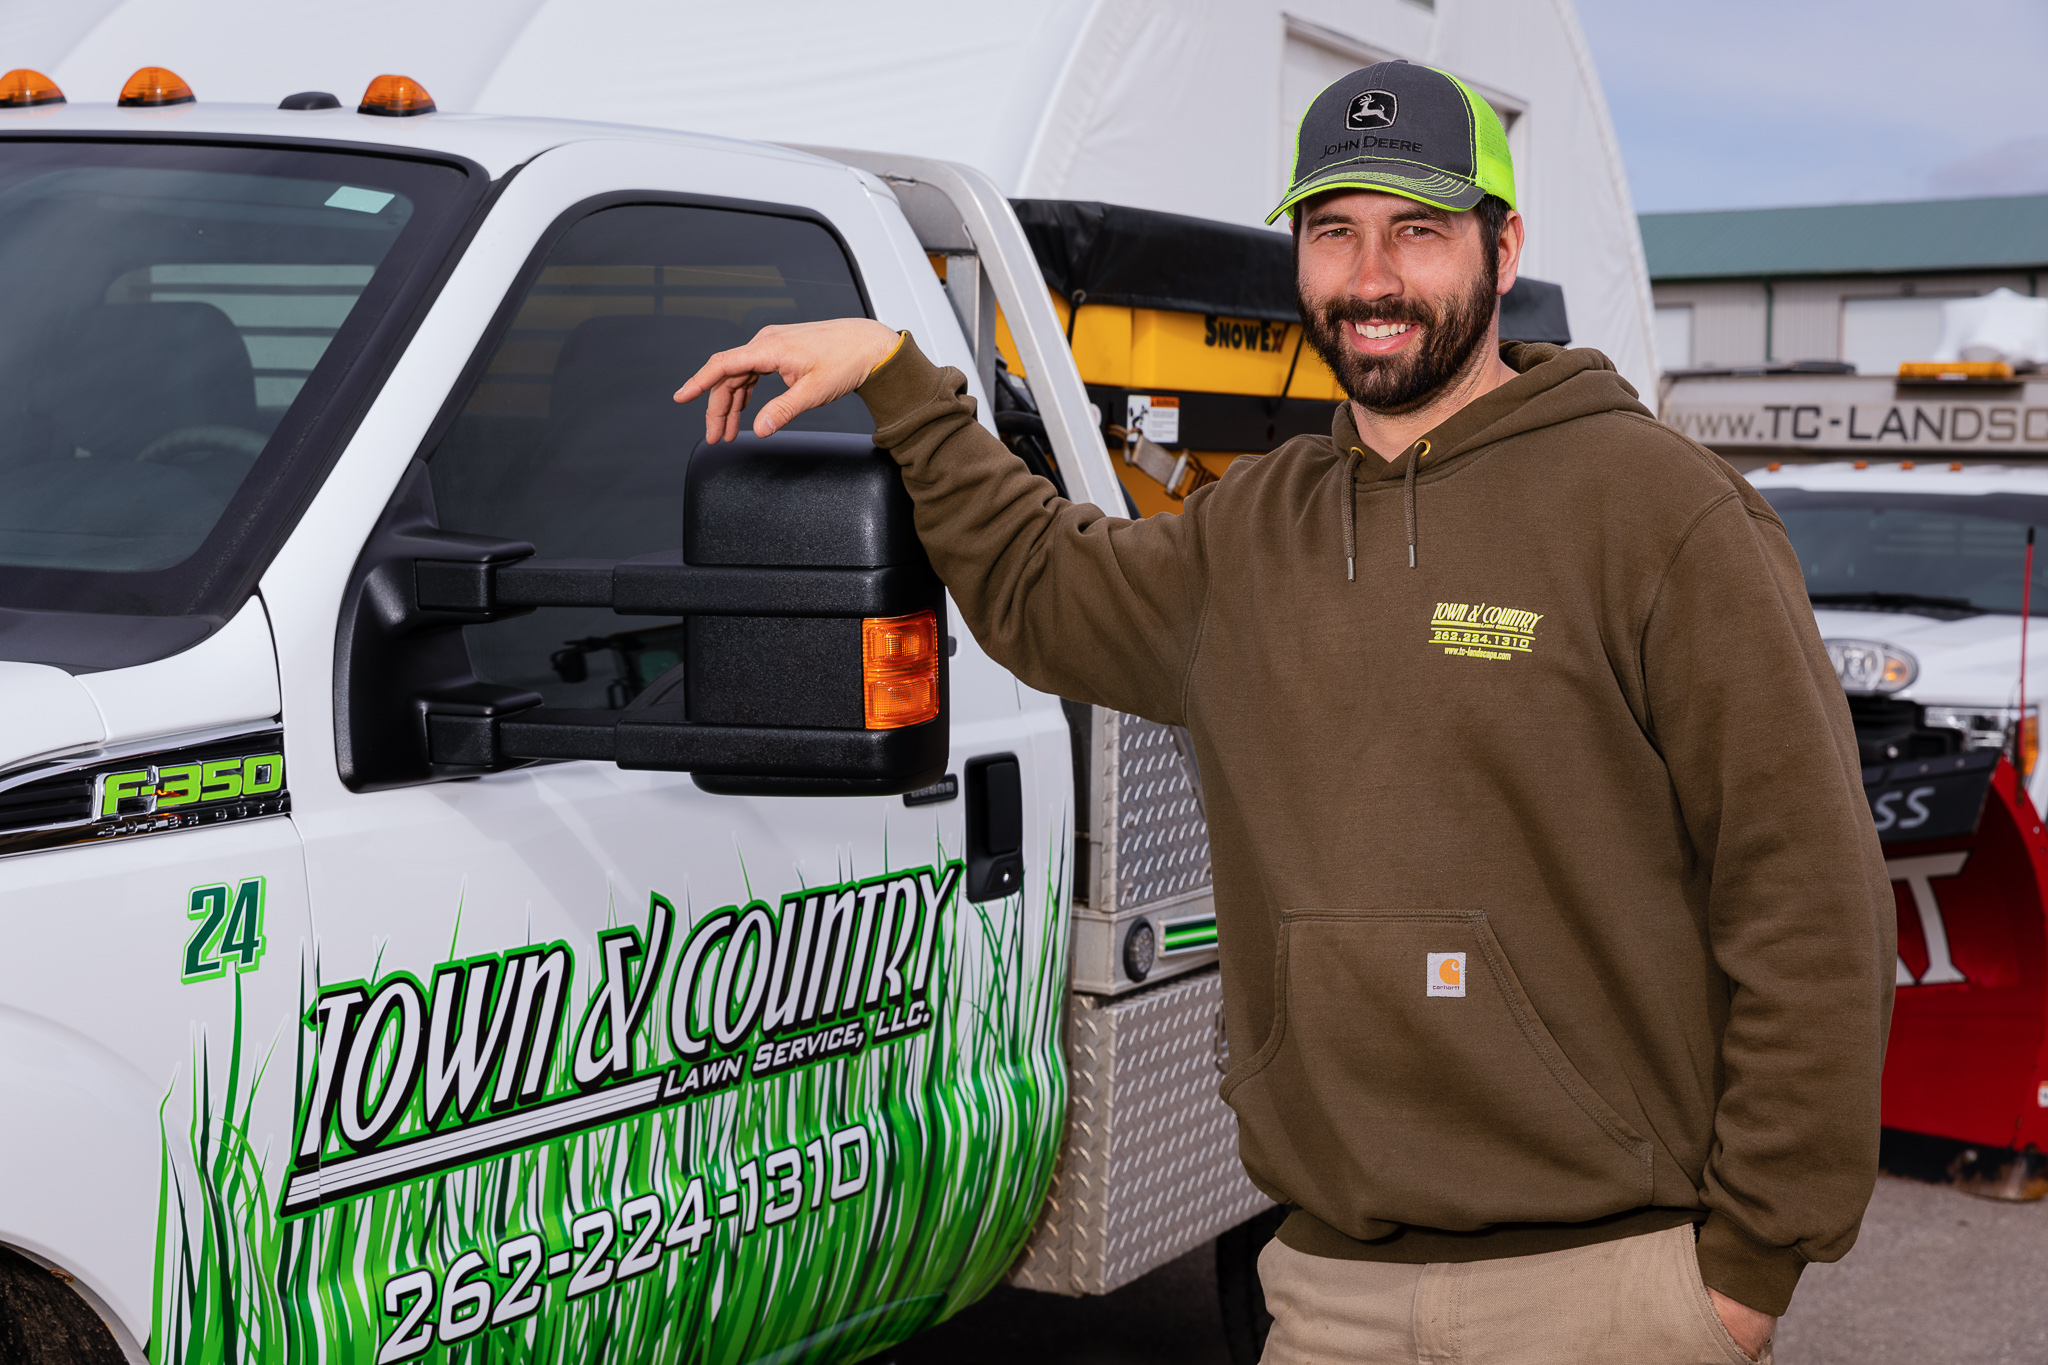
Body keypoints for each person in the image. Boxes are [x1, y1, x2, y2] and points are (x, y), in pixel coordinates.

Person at [677, 59, 1893, 1365]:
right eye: (1333, 232)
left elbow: (1811, 905)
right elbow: (1040, 586)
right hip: (1326, 1288)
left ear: (1504, 244)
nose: (1370, 277)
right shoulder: (1253, 532)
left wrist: (1749, 1264)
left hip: (1597, 1291)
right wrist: (908, 383)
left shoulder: (1662, 516)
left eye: (1417, 231)